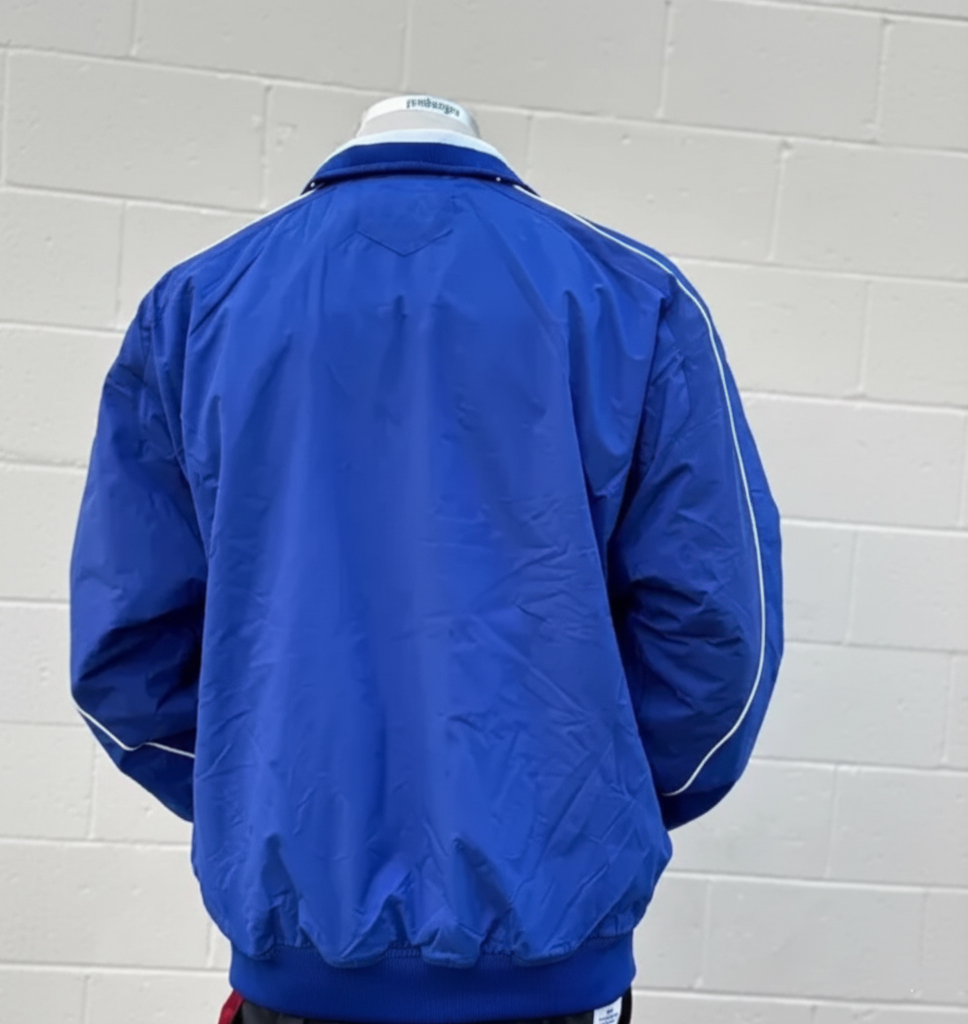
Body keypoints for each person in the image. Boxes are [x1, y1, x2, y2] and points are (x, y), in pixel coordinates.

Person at [70, 95, 783, 1024]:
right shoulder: (633, 297)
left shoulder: (198, 307)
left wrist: (269, 803)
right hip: (550, 964)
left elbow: (126, 650)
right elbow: (718, 634)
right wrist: (586, 817)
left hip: (300, 970)